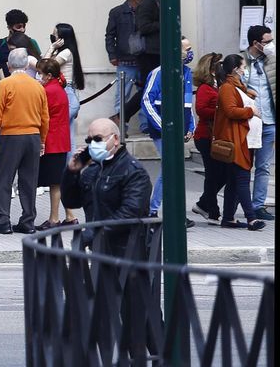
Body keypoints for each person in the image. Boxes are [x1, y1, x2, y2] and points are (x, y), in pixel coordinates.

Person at [61, 118, 152, 253]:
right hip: (100, 249)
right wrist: (72, 172)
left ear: (115, 139)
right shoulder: (93, 169)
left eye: (97, 139)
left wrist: (94, 233)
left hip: (128, 252)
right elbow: (71, 201)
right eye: (89, 141)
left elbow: (130, 212)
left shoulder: (134, 171)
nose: (92, 144)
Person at [0, 48, 49, 234]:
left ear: (9, 65)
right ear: (27, 64)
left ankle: (1, 221)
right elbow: (45, 117)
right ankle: (28, 221)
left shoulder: (5, 84)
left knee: (4, 179)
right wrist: (42, 140)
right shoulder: (38, 86)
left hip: (11, 136)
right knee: (29, 181)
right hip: (33, 136)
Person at [141, 36, 195, 219]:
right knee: (171, 169)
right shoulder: (158, 72)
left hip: (178, 130)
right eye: (186, 49)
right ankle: (157, 209)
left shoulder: (187, 72)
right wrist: (163, 126)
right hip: (162, 130)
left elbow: (188, 103)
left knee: (173, 169)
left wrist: (190, 126)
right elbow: (147, 100)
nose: (190, 52)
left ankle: (164, 210)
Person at [214, 53, 265, 230]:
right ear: (235, 69)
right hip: (236, 140)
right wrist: (251, 112)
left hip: (244, 139)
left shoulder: (237, 86)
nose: (245, 71)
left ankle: (228, 218)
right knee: (242, 179)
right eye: (243, 67)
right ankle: (251, 218)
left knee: (234, 181)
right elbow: (230, 111)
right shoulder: (228, 87)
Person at [37, 58, 77, 230]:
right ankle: (70, 215)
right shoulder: (59, 88)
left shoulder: (48, 91)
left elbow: (42, 116)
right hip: (60, 140)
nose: (38, 76)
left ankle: (54, 219)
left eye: (40, 73)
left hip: (52, 141)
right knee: (58, 181)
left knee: (55, 183)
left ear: (49, 75)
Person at [240, 25, 275, 220]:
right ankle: (241, 205)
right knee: (243, 166)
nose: (271, 45)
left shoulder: (272, 61)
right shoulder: (242, 62)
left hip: (269, 122)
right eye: (267, 42)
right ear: (255, 44)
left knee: (263, 167)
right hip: (249, 123)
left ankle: (258, 205)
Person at [104, 0, 147, 123]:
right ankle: (121, 125)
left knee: (147, 93)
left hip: (143, 59)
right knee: (122, 94)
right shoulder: (117, 12)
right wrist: (112, 55)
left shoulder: (146, 11)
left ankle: (146, 123)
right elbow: (110, 35)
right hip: (125, 60)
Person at [191, 51, 225, 222]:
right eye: (219, 65)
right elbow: (202, 110)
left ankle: (204, 204)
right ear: (211, 69)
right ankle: (211, 209)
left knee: (220, 173)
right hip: (206, 137)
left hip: (215, 136)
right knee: (213, 173)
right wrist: (221, 111)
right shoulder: (205, 88)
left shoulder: (217, 85)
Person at [0, 9, 40, 74]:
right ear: (9, 27)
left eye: (24, 26)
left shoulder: (31, 42)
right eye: (18, 27)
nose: (22, 30)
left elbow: (40, 64)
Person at [135, 0, 163, 79]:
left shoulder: (156, 1)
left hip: (155, 50)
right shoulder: (147, 3)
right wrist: (162, 24)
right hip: (149, 53)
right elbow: (143, 27)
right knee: (149, 86)